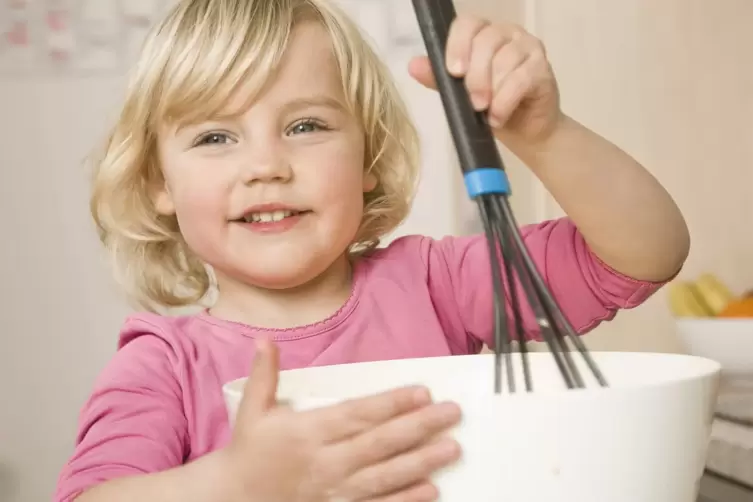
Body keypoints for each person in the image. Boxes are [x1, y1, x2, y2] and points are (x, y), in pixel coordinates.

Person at [54, 0, 690, 500]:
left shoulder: (438, 285)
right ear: (159, 184)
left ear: (367, 157)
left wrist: (544, 134)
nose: (266, 165)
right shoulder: (165, 366)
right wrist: (236, 487)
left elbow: (645, 254)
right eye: (216, 137)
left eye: (306, 126)